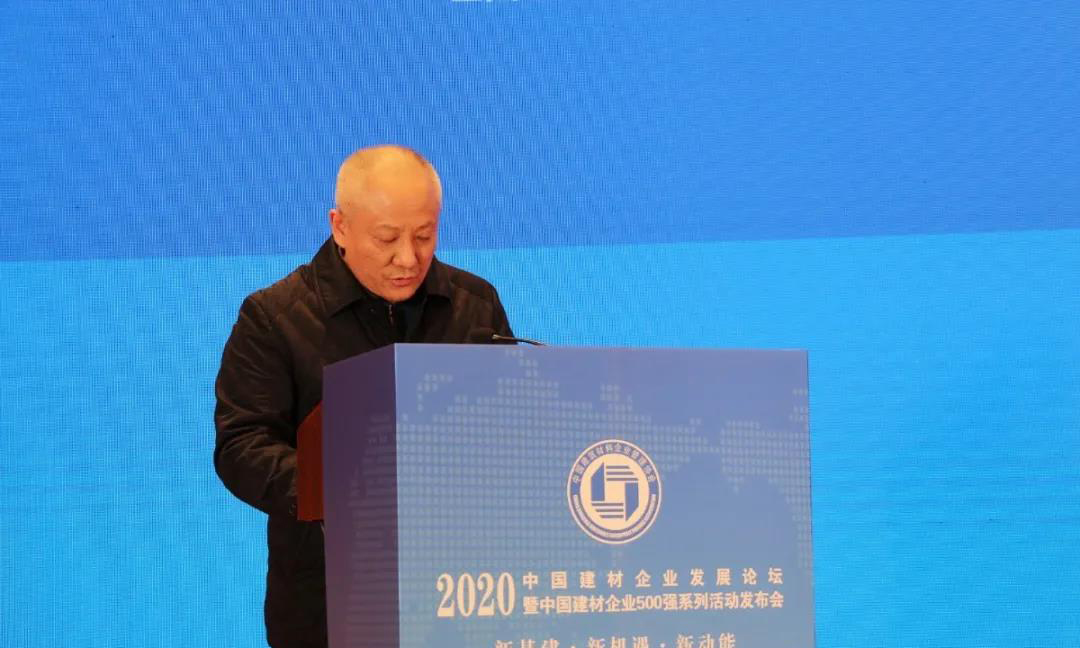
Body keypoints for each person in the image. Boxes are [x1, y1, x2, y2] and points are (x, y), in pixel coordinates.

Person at [214, 145, 513, 647]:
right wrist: (344, 491)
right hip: (327, 600)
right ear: (340, 227)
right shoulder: (274, 318)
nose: (409, 258)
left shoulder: (474, 306)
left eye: (425, 235)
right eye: (387, 239)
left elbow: (509, 428)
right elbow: (241, 447)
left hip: (457, 595)